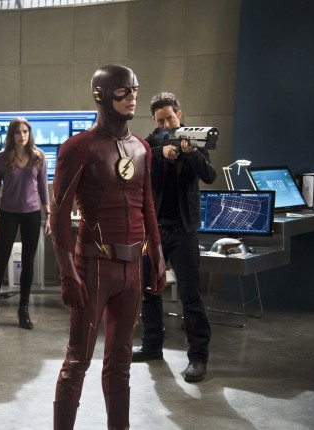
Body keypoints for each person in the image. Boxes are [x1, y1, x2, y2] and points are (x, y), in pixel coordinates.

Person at [50, 65, 167, 430]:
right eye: (122, 91)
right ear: (101, 95)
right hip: (94, 266)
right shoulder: (78, 148)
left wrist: (157, 257)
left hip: (132, 269)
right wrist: (68, 274)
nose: (132, 96)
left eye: (135, 89)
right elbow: (58, 216)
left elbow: (147, 207)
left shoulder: (142, 148)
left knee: (120, 361)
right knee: (78, 360)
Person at [131, 92, 216, 383]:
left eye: (170, 118)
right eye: (161, 120)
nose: (166, 124)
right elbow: (135, 159)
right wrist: (161, 152)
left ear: (179, 114)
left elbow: (210, 176)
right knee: (148, 291)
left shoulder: (195, 140)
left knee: (190, 297)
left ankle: (198, 358)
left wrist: (191, 153)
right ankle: (152, 346)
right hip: (153, 229)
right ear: (154, 120)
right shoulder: (150, 142)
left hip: (183, 230)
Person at [0, 117, 51, 330]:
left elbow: (43, 188)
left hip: (32, 214)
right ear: (11, 135)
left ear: (29, 134)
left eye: (25, 131)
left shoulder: (38, 156)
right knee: (1, 261)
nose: (22, 135)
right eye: (17, 132)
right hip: (8, 215)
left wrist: (48, 215)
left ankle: (23, 309)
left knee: (28, 262)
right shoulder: (2, 158)